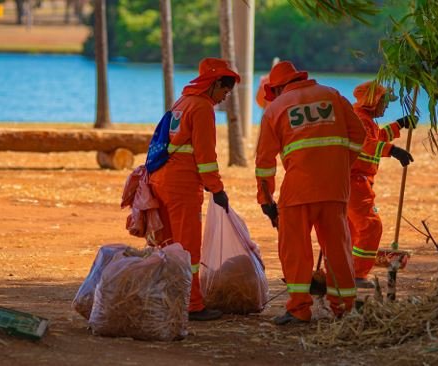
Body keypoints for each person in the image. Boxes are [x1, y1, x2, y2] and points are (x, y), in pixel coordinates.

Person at [255, 61, 366, 325]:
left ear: (278, 87)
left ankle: (298, 309)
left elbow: (264, 161)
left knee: (295, 251)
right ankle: (345, 308)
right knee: (338, 248)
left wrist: (266, 200)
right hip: (334, 188)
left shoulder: (276, 108)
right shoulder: (332, 95)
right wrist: (338, 164)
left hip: (298, 191)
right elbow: (359, 135)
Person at [149, 57, 240, 321]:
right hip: (181, 185)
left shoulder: (181, 102)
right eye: (224, 89)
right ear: (213, 84)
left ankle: (166, 300)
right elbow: (205, 155)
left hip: (160, 180)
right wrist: (217, 188)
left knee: (167, 246)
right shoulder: (201, 107)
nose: (225, 97)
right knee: (188, 248)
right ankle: (192, 305)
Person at [349, 81, 416, 289]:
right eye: (383, 101)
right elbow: (368, 144)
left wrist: (399, 124)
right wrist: (394, 151)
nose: (386, 106)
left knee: (354, 230)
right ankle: (357, 273)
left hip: (358, 182)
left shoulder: (365, 119)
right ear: (372, 101)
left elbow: (376, 137)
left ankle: (348, 270)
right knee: (370, 226)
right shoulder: (360, 119)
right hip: (355, 182)